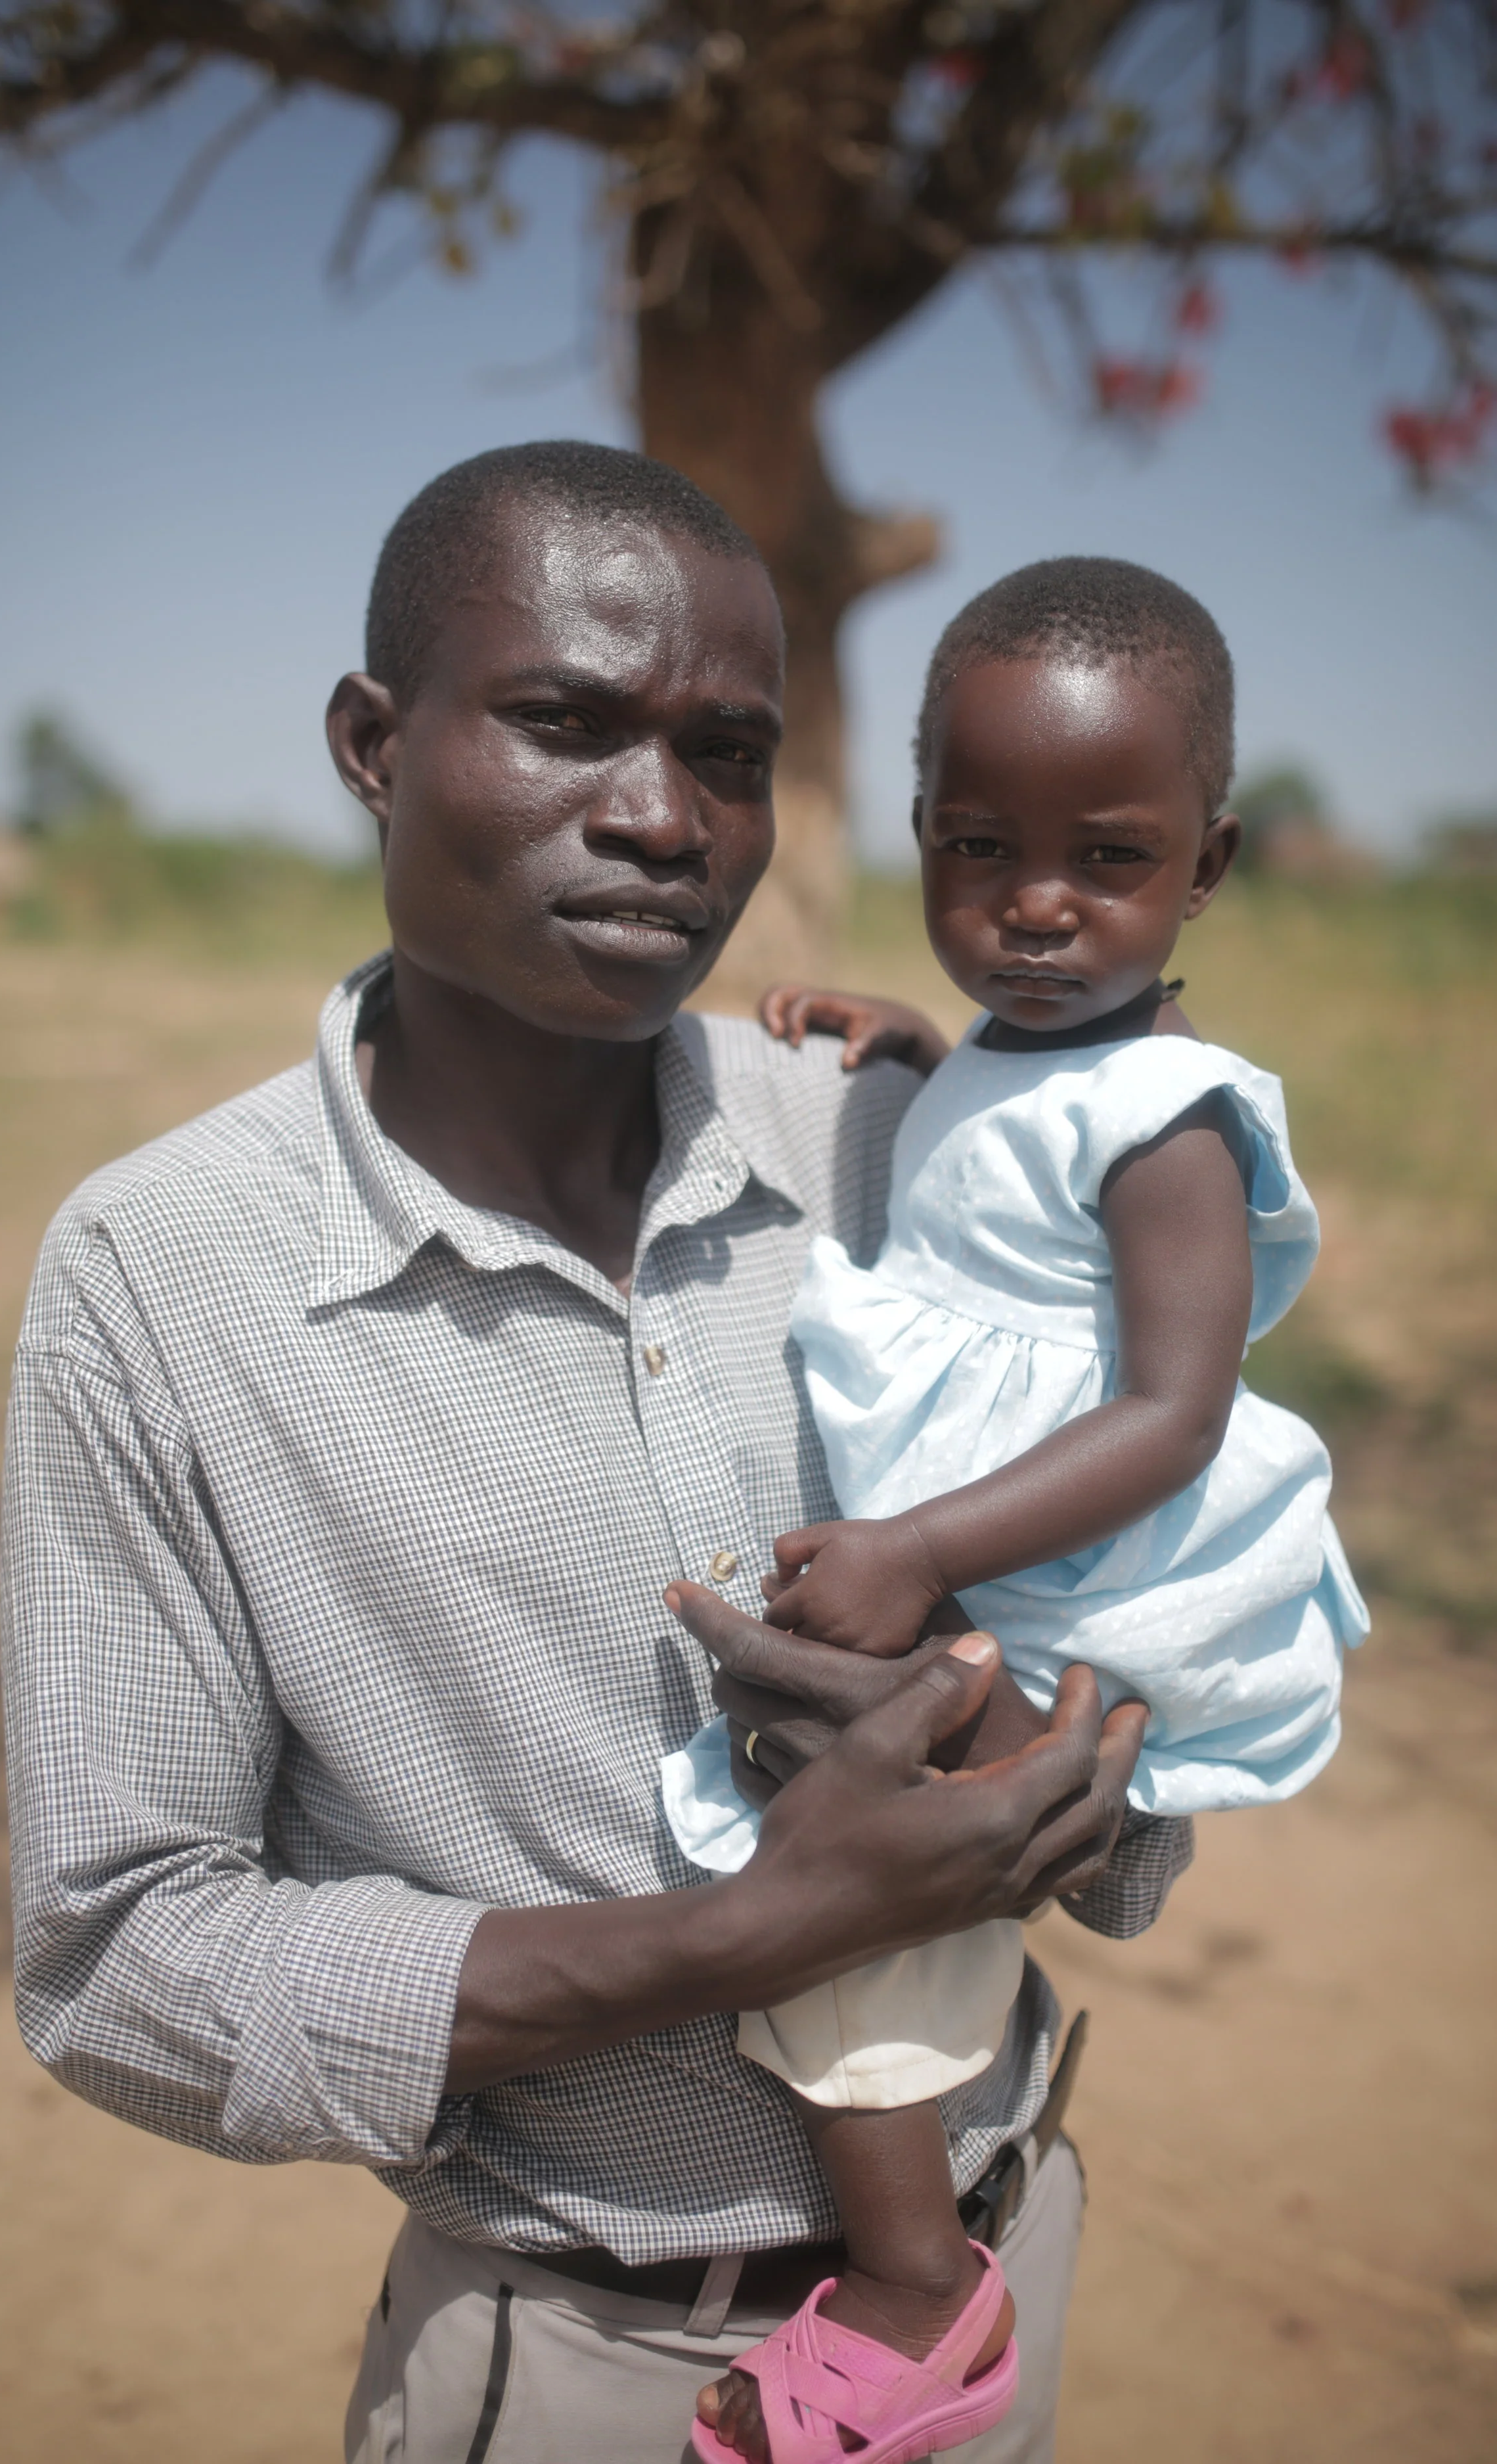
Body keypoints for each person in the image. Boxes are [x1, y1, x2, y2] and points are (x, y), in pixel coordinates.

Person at [1, 446, 1190, 2464]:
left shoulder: (886, 1146)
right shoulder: (161, 1275)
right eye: (563, 723)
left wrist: (1036, 1763)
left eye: (724, 750)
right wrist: (740, 1934)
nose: (657, 817)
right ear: (375, 745)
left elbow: (1153, 1608)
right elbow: (123, 1953)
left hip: (1005, 2275)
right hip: (595, 2370)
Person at [663, 558, 1367, 2464]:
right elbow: (1003, 1154)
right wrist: (919, 1045)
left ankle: (912, 2284)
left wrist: (917, 1549)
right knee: (835, 1871)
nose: (1033, 905)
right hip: (992, 1568)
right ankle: (910, 2237)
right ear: (917, 836)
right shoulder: (1019, 1052)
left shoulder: (1175, 1122)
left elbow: (1167, 1409)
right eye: (979, 851)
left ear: (1207, 863)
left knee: (860, 1895)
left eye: (1106, 860)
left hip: (1069, 1587)